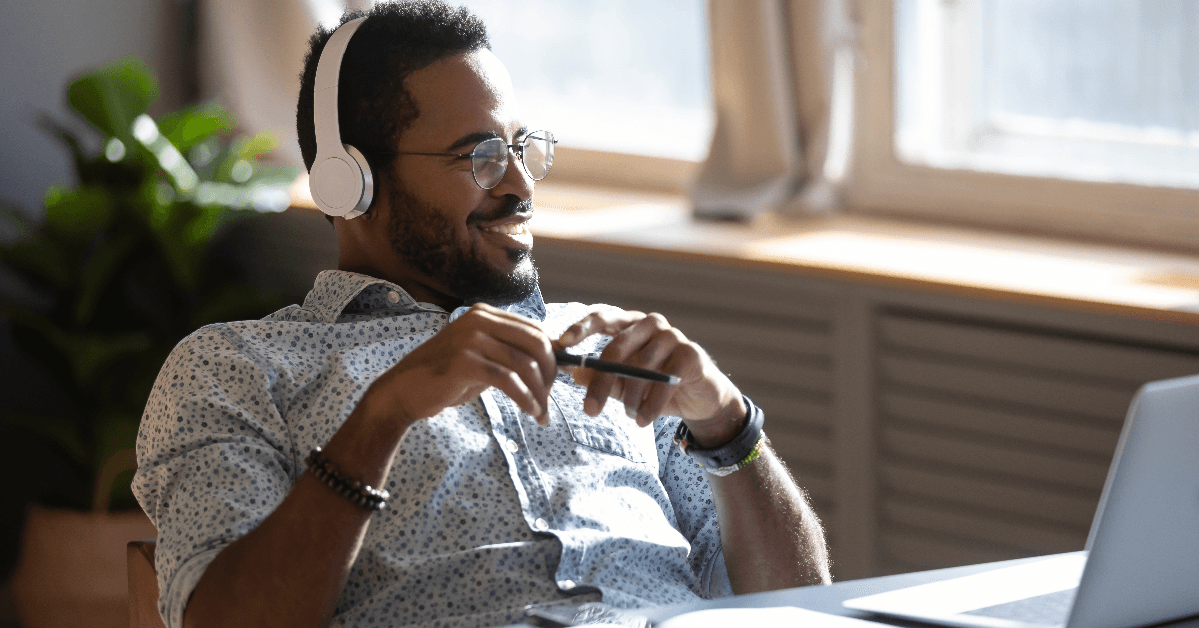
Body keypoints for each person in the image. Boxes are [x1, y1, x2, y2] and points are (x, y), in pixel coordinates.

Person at [132, 2, 831, 628]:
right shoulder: (235, 368)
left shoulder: (614, 349)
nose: (521, 186)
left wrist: (728, 425)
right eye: (482, 157)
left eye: (522, 149)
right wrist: (381, 418)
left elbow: (801, 613)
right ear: (350, 180)